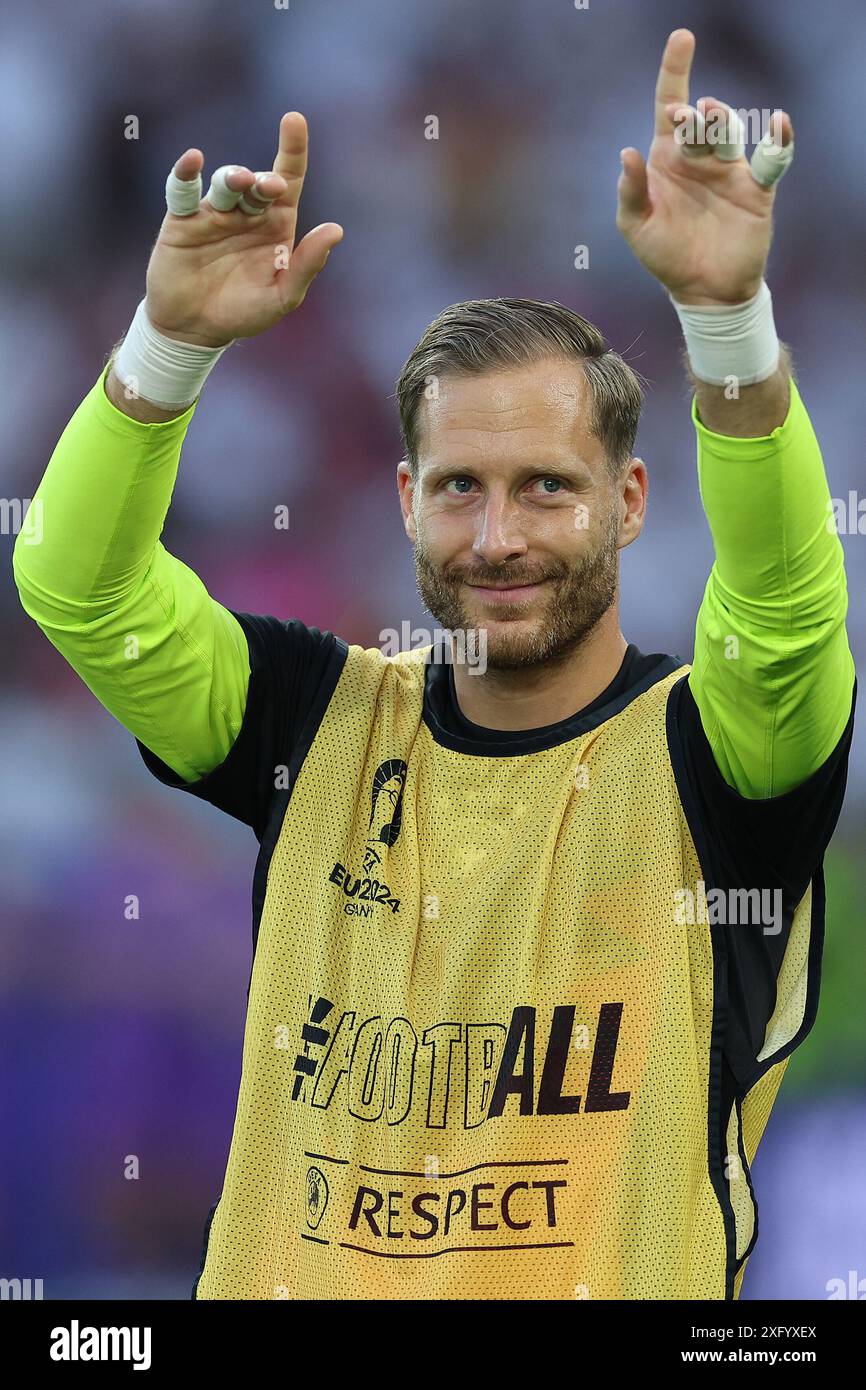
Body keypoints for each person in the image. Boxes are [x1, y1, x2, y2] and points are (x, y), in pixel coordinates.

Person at [13, 30, 855, 1299]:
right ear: (404, 500)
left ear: (629, 502)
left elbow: (787, 612)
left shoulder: (713, 758)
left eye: (546, 490)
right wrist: (167, 345)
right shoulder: (316, 714)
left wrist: (727, 322)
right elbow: (79, 586)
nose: (497, 536)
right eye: (458, 487)